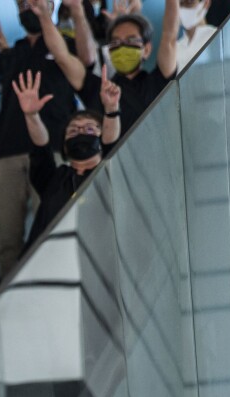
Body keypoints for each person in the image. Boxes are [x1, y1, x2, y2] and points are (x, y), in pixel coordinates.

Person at [0, 1, 80, 277]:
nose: (29, 7)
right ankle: (16, 296)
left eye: (36, 2)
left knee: (54, 227)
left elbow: (82, 71)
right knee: (8, 240)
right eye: (23, 3)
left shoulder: (64, 47)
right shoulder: (11, 55)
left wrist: (48, 19)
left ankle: (58, 284)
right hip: (6, 153)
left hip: (52, 151)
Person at [32, 0, 178, 137]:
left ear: (147, 49)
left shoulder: (158, 82)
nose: (122, 46)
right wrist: (44, 16)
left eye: (131, 40)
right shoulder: (98, 90)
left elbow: (169, 36)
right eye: (115, 42)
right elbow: (62, 57)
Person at [13, 67, 121, 251]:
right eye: (73, 130)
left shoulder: (111, 173)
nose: (80, 132)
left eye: (89, 129)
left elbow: (112, 146)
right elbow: (41, 148)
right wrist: (31, 115)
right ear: (64, 145)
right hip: (43, 264)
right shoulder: (53, 179)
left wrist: (111, 109)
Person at [177, 0, 217, 70]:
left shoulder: (216, 36)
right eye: (181, 4)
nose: (184, 9)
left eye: (190, 2)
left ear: (205, 3)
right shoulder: (176, 48)